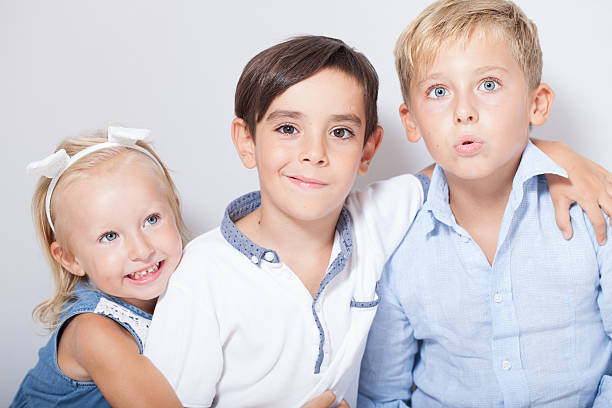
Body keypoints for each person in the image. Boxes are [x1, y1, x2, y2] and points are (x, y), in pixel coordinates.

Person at [145, 35, 609, 408]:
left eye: (341, 132)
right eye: (288, 128)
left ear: (368, 150)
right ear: (246, 141)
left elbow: (467, 159)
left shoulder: (379, 220)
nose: (314, 152)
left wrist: (559, 158)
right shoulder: (202, 275)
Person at [358, 1, 612, 407]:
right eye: (439, 92)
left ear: (537, 104)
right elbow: (382, 395)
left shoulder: (588, 211)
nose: (464, 112)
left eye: (488, 84)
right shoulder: (397, 235)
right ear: (412, 121)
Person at [10, 127, 188, 407]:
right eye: (110, 236)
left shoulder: (193, 279)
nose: (141, 250)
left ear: (175, 210)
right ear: (70, 259)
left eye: (151, 219)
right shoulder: (94, 331)